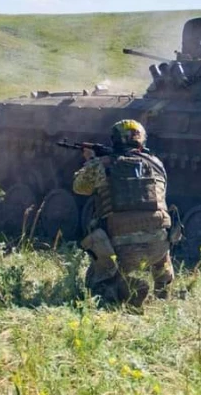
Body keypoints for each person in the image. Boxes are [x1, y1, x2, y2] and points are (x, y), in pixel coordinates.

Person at [72, 119, 175, 308]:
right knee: (158, 222)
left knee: (95, 284)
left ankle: (126, 288)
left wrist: (91, 161)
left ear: (115, 140)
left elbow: (80, 187)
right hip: (158, 245)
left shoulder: (102, 164)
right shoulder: (157, 164)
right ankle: (163, 293)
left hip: (119, 247)